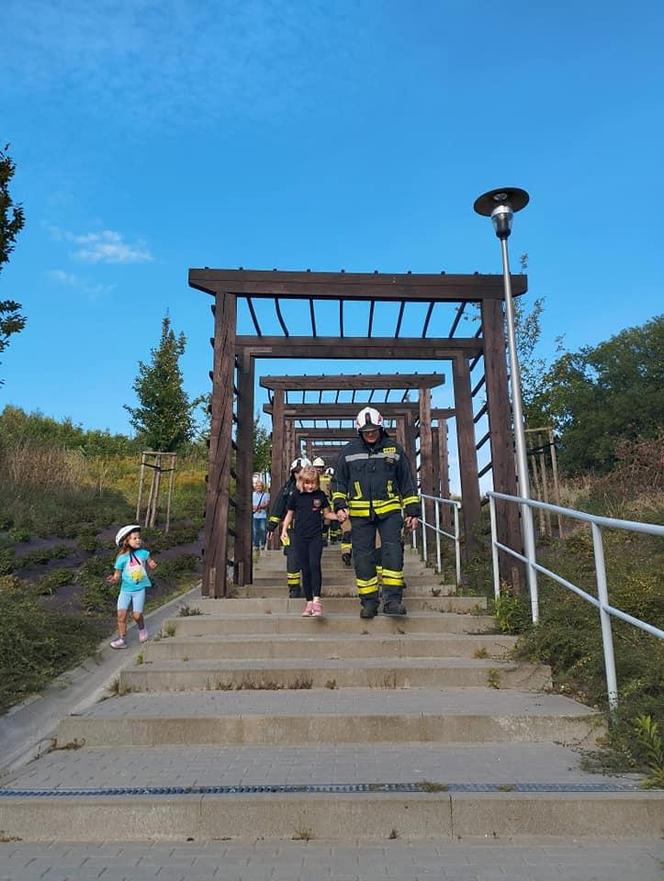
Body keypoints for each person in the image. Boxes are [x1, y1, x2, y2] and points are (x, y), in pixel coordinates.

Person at [332, 406, 419, 618]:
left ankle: (393, 601)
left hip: (389, 512)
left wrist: (413, 511)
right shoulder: (348, 452)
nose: (370, 434)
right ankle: (369, 602)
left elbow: (407, 482)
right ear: (359, 431)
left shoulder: (394, 450)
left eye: (374, 430)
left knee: (393, 554)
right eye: (366, 431)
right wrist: (340, 505)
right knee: (363, 559)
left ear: (381, 427)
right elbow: (338, 482)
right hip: (360, 515)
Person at [280, 465, 337, 617]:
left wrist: (339, 516)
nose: (310, 486)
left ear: (317, 482)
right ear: (301, 482)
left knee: (314, 565)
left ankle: (317, 600)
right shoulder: (295, 496)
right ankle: (309, 601)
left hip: (315, 536)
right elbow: (289, 515)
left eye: (312, 483)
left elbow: (327, 514)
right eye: (307, 483)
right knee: (304, 568)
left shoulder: (320, 496)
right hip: (299, 536)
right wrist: (284, 530)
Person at [106, 524, 157, 649]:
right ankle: (122, 639)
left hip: (139, 590)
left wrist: (152, 564)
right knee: (121, 615)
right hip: (125, 591)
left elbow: (150, 561)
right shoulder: (121, 559)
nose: (138, 540)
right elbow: (117, 575)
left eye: (139, 537)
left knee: (137, 615)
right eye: (134, 538)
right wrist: (113, 579)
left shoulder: (144, 553)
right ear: (126, 541)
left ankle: (142, 629)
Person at [266, 457, 311, 597]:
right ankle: (294, 588)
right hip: (293, 529)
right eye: (296, 472)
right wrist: (271, 527)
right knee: (293, 558)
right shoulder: (288, 488)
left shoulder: (315, 487)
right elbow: (278, 507)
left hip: (310, 530)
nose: (298, 474)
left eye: (301, 471)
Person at [251, 479, 270, 550]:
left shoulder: (266, 495)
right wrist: (256, 507)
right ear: (255, 487)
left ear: (262, 487)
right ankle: (256, 544)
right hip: (254, 515)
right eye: (257, 486)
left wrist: (259, 507)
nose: (258, 487)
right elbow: (250, 503)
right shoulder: (252, 494)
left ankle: (262, 543)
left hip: (263, 515)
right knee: (255, 530)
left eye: (260, 486)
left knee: (263, 530)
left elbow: (267, 504)